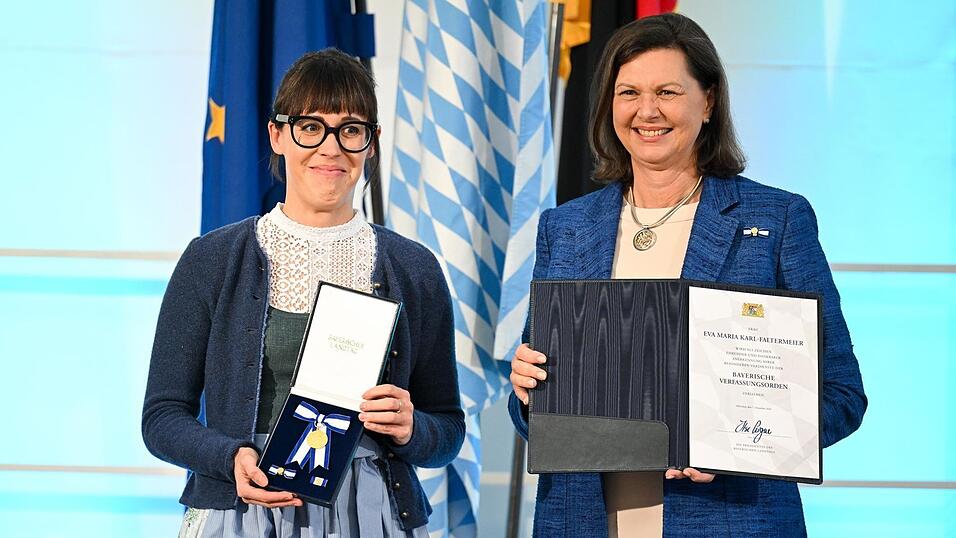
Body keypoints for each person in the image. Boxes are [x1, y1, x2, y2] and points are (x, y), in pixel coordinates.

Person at [508, 13, 866, 537]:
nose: (646, 111)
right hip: (584, 521)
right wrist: (526, 391)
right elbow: (540, 417)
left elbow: (841, 395)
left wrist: (743, 447)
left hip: (730, 521)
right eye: (628, 92)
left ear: (709, 101)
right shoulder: (566, 227)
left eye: (668, 91)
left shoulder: (775, 219)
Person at [142, 49, 465, 537]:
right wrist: (230, 456)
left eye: (350, 130)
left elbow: (447, 431)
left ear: (370, 144)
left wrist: (412, 427)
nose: (330, 148)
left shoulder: (415, 268)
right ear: (278, 135)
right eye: (311, 127)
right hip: (241, 512)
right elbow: (161, 418)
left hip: (374, 515)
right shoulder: (211, 259)